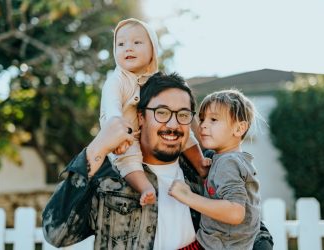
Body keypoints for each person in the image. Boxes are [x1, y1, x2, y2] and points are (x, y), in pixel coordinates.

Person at [42, 72, 273, 249]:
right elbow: (56, 233)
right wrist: (97, 147)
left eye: (183, 115)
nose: (173, 125)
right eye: (161, 112)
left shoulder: (207, 167)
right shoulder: (108, 175)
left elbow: (254, 227)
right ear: (141, 117)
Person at [100, 18, 209, 206]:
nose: (128, 48)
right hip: (122, 134)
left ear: (153, 51)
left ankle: (200, 163)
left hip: (147, 131)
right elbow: (113, 111)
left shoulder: (156, 81)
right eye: (121, 44)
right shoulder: (116, 81)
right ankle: (145, 187)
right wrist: (119, 137)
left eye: (137, 42)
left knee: (184, 130)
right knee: (128, 159)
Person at [169, 89, 261, 249]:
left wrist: (187, 196)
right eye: (202, 119)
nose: (203, 125)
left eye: (213, 120)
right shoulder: (230, 160)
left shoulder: (228, 163)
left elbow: (235, 212)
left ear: (239, 129)